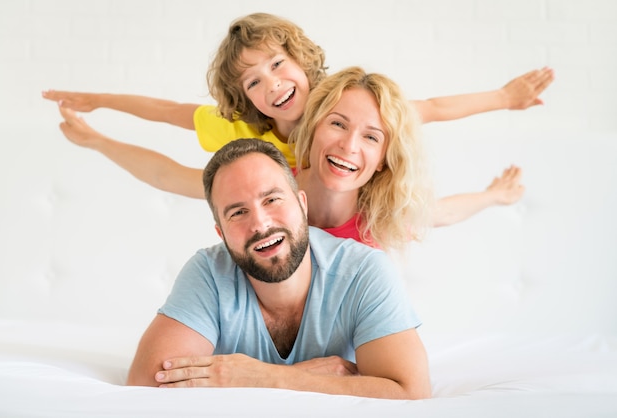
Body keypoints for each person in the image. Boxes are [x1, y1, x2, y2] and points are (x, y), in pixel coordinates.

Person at [43, 12, 551, 198]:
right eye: (254, 81)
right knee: (187, 182)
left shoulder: (345, 107)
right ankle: (94, 143)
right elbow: (169, 110)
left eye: (278, 64)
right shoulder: (245, 128)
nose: (272, 84)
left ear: (302, 61)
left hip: (353, 210)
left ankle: (494, 196)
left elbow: (432, 107)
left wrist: (505, 97)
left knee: (429, 211)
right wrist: (99, 106)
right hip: (292, 220)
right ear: (245, 97)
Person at [126, 138, 431, 400]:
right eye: (238, 212)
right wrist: (298, 377)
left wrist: (266, 377)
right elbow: (147, 382)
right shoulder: (208, 272)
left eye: (272, 199)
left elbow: (409, 390)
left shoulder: (364, 270)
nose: (260, 224)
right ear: (221, 233)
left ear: (302, 204)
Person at [292, 67, 525, 250]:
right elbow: (433, 108)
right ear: (313, 127)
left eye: (371, 137)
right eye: (338, 124)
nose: (349, 145)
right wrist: (503, 97)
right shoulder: (271, 182)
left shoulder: (377, 221)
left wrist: (495, 195)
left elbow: (446, 213)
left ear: (383, 159)